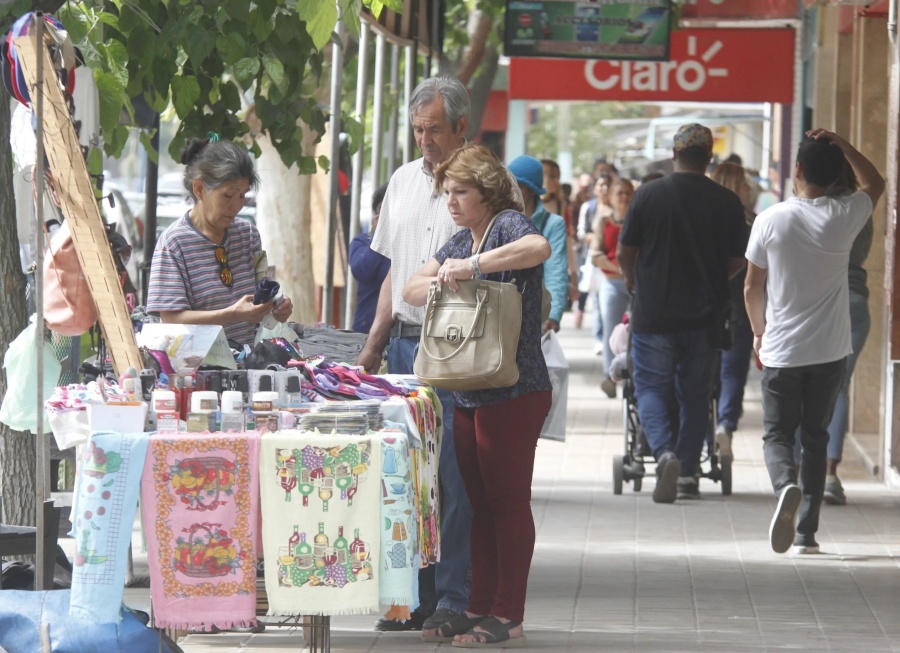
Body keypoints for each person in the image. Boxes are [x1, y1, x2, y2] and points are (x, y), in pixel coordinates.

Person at [402, 143, 552, 648]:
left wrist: (473, 265)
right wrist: (448, 270)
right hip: (468, 391)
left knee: (508, 503)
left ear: (486, 193)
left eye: (460, 191)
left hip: (515, 388)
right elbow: (411, 289)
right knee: (479, 504)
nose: (450, 201)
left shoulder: (508, 225)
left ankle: (508, 613)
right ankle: (477, 604)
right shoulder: (460, 239)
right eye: (446, 192)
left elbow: (538, 250)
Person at [354, 76, 474, 636]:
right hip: (402, 344)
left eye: (434, 130)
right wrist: (373, 346)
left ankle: (452, 597)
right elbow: (391, 276)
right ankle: (412, 597)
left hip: (457, 349)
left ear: (460, 128)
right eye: (418, 130)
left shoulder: (483, 186)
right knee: (404, 476)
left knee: (450, 477)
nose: (425, 139)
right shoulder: (401, 181)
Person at [745, 129, 884, 554]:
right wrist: (842, 144)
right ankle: (807, 532)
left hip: (783, 349)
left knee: (777, 436)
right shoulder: (844, 216)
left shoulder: (772, 218)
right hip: (830, 350)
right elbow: (876, 183)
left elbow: (753, 286)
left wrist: (758, 330)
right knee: (816, 434)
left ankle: (785, 484)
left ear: (798, 170)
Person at [617, 124, 747, 503]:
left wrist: (632, 280)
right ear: (710, 157)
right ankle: (688, 472)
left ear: (674, 155)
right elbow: (739, 259)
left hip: (654, 313)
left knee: (651, 389)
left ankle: (664, 453)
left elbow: (626, 251)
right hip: (704, 318)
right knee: (695, 395)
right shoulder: (726, 202)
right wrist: (714, 279)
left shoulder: (649, 194)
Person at [146, 137, 293, 347]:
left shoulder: (249, 235)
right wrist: (231, 314)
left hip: (245, 365)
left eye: (242, 195)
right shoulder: (173, 244)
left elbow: (261, 291)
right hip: (196, 369)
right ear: (199, 189)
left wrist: (277, 307)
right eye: (228, 195)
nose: (236, 206)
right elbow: (171, 319)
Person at [709, 162, 755, 461]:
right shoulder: (752, 225)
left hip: (706, 307)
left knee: (706, 371)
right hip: (742, 308)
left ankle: (705, 429)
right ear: (736, 187)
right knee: (734, 372)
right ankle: (725, 423)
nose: (750, 190)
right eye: (745, 185)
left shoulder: (704, 222)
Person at [508, 155, 569, 333]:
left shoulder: (552, 224)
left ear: (532, 189)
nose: (511, 190)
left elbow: (556, 270)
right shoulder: (496, 219)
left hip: (534, 315)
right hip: (498, 312)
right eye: (508, 183)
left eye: (518, 185)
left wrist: (554, 314)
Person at [591, 178, 634, 398]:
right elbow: (595, 254)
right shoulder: (604, 222)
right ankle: (611, 376)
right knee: (610, 328)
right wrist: (617, 267)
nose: (625, 197)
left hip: (637, 283)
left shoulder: (639, 222)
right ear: (611, 197)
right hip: (612, 283)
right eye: (620, 193)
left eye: (628, 193)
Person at [348, 184, 390, 334]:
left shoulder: (408, 244)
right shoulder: (362, 242)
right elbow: (361, 271)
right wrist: (379, 237)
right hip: (367, 328)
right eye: (382, 209)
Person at [577, 174, 612, 346]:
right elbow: (581, 233)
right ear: (595, 188)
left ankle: (608, 335)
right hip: (593, 258)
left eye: (607, 184)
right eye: (600, 184)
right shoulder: (588, 207)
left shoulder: (615, 208)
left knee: (606, 298)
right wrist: (598, 237)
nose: (604, 188)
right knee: (597, 298)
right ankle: (599, 337)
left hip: (612, 259)